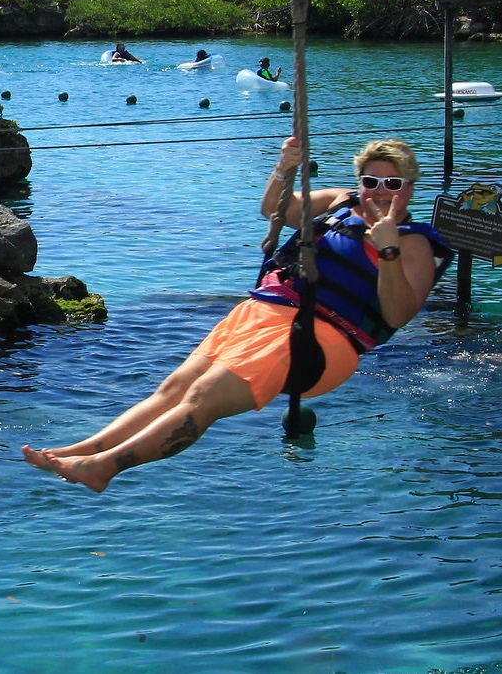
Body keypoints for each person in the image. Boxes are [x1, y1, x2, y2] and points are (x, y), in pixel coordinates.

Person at [22, 136, 450, 493]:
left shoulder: (415, 245)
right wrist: (284, 169)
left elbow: (398, 314)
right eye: (370, 180)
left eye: (392, 183)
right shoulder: (341, 201)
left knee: (203, 397)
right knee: (172, 389)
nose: (379, 191)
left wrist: (388, 248)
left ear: (409, 186)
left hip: (318, 336)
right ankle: (84, 450)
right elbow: (277, 211)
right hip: (261, 312)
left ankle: (106, 467)